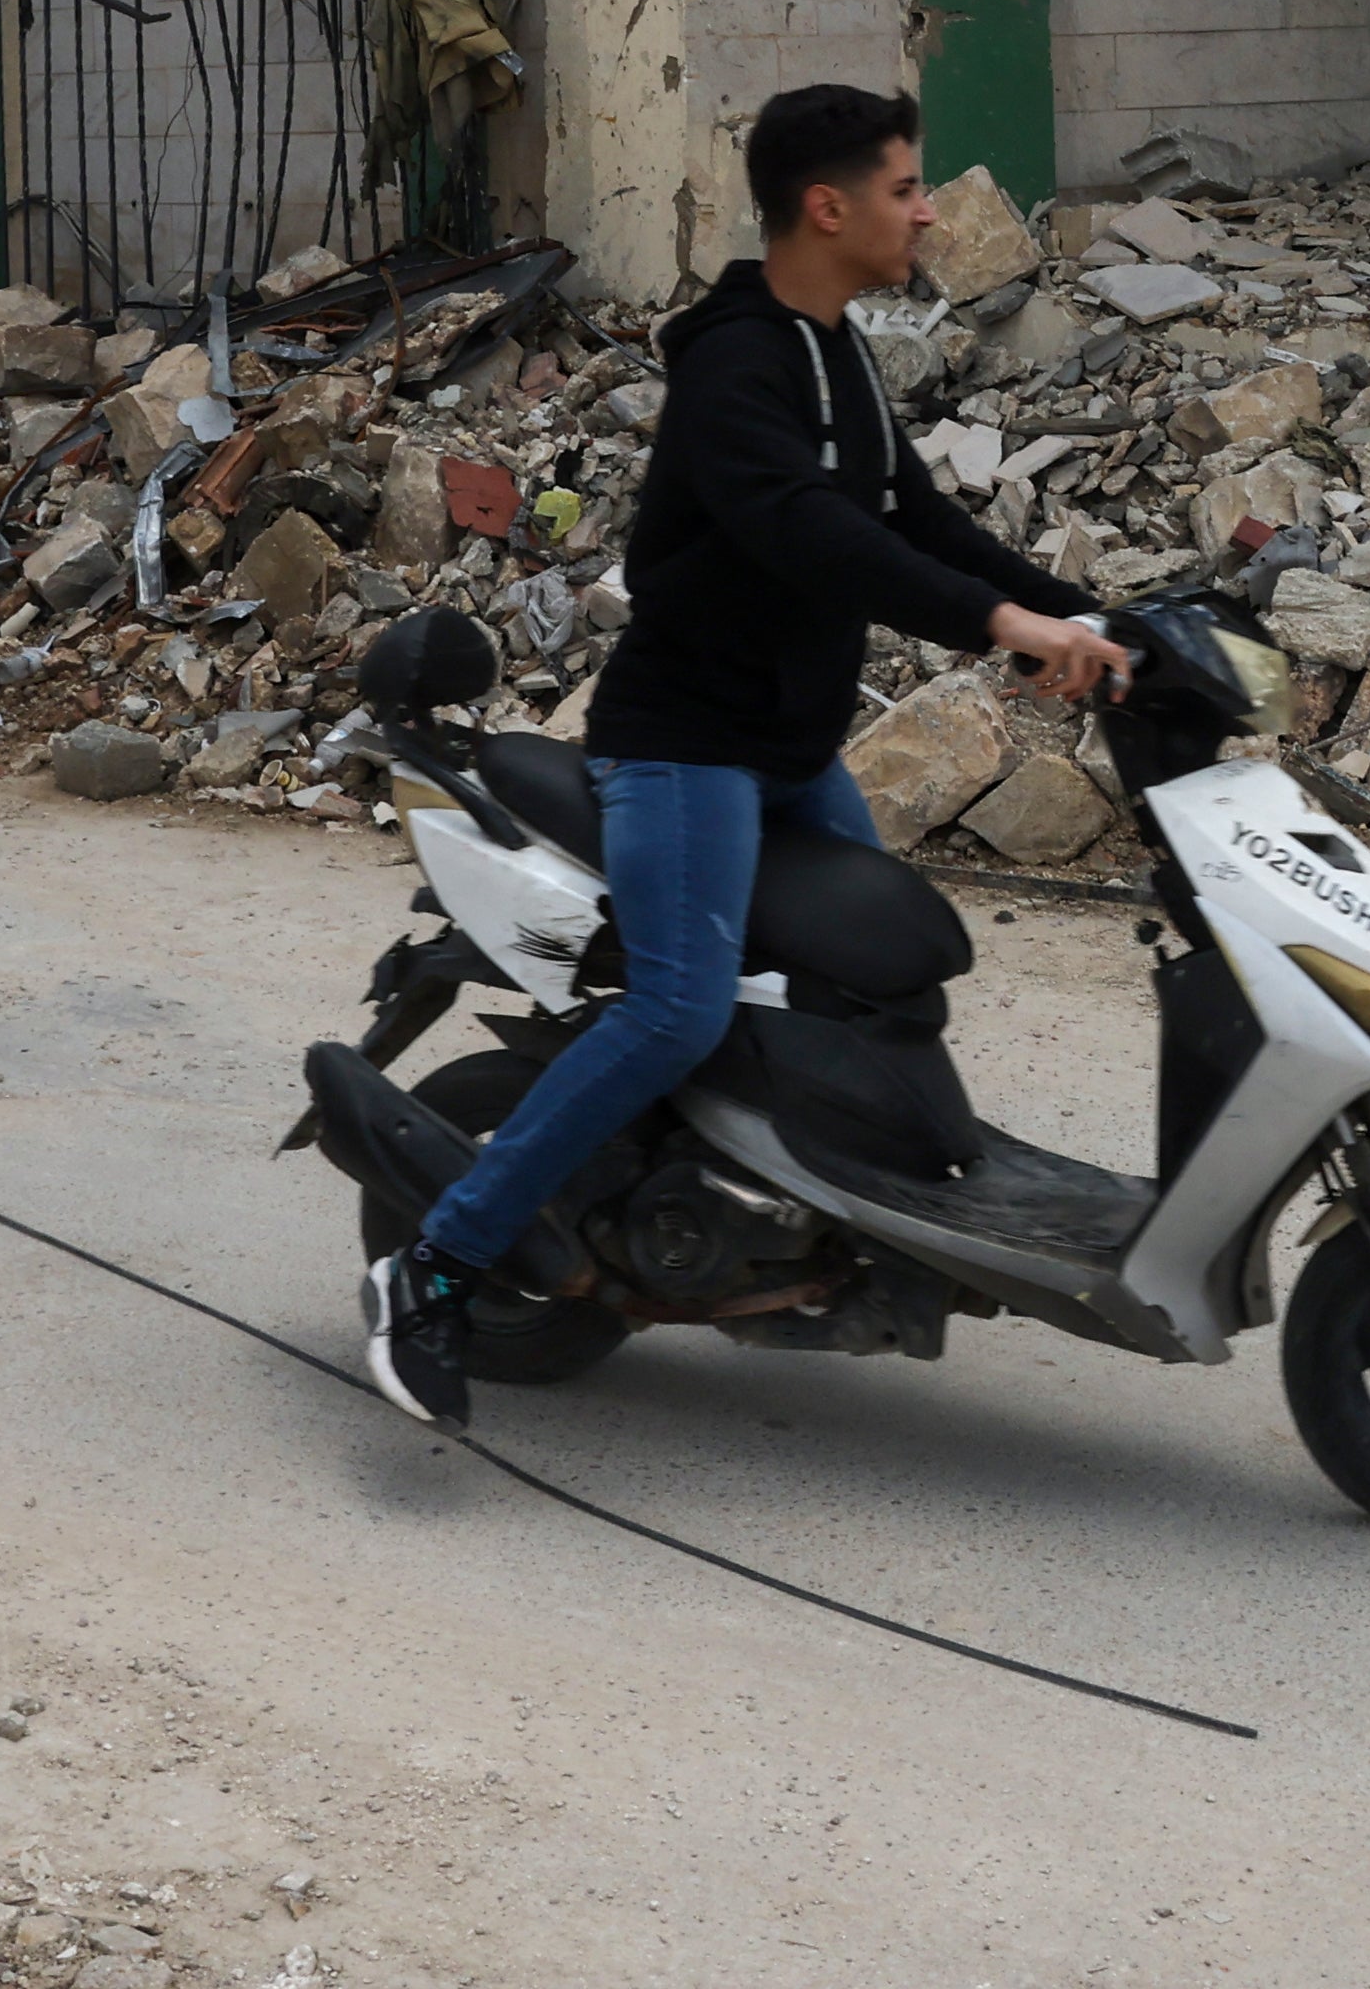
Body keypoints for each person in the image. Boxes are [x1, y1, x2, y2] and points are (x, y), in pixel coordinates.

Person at [363, 83, 1127, 1425]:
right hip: (686, 752)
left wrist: (1072, 615)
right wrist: (996, 622)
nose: (930, 209)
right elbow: (811, 535)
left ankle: (825, 1224)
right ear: (827, 208)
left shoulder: (833, 350)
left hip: (788, 747)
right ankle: (436, 1265)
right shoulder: (736, 364)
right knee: (680, 1008)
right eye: (907, 188)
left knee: (876, 981)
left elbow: (918, 522)